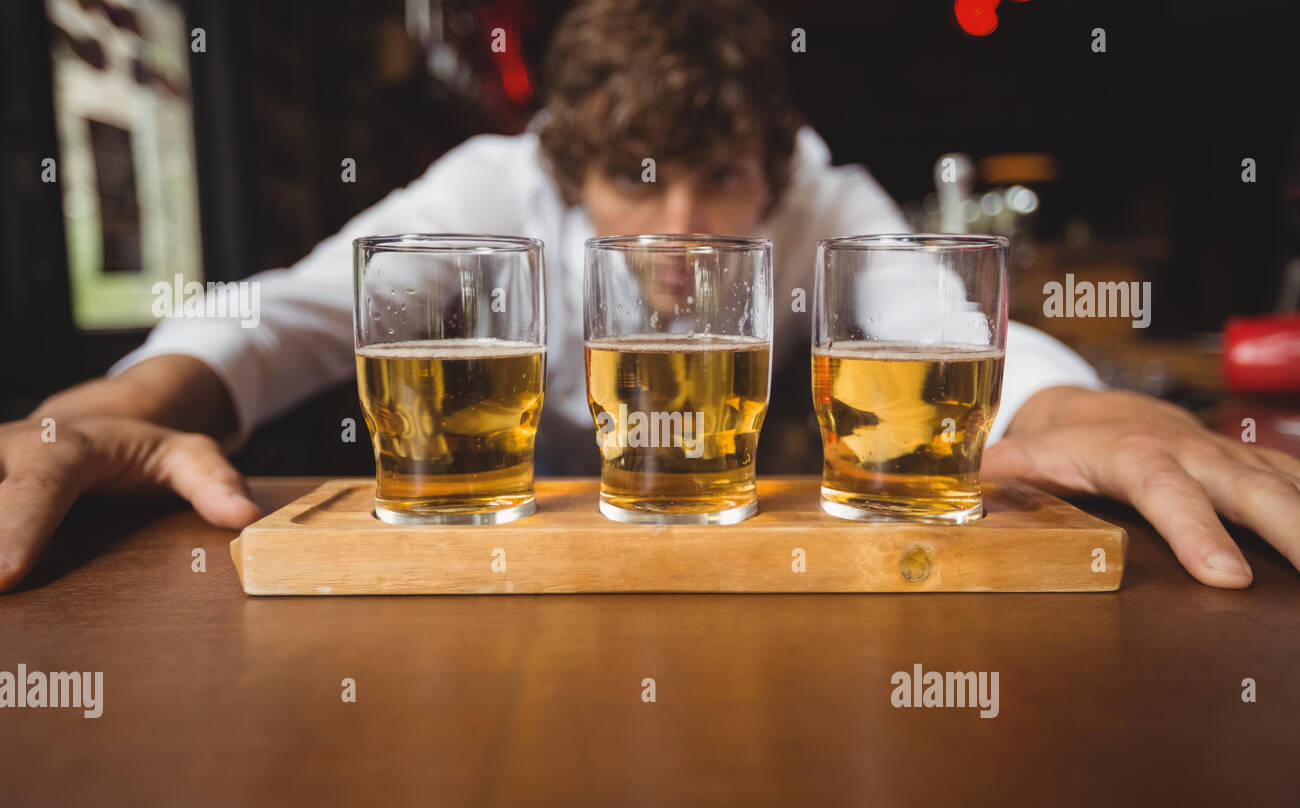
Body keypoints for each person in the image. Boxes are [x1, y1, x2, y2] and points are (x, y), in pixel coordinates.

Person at [1, 0, 1297, 592]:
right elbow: (290, 315)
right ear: (571, 172)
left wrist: (1087, 413)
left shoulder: (817, 201)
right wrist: (120, 403)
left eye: (718, 177)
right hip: (511, 560)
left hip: (715, 557)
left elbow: (951, 334)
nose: (681, 226)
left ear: (769, 174)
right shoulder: (495, 186)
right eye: (639, 178)